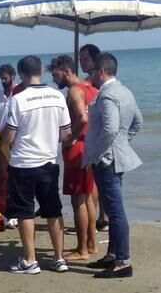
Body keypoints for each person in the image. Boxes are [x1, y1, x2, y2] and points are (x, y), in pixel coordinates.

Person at [1, 56, 72, 274]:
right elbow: (66, 133)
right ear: (41, 71)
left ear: (21, 75)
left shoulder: (18, 99)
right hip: (49, 162)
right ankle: (59, 258)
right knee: (53, 210)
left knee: (25, 212)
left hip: (23, 163)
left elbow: (8, 137)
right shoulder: (58, 95)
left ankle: (31, 260)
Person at [84, 53, 143, 278]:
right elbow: (137, 122)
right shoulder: (125, 91)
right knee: (110, 207)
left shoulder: (108, 95)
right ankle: (112, 255)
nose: (90, 76)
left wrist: (96, 155)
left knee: (115, 211)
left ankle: (123, 261)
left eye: (92, 72)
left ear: (101, 71)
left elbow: (110, 129)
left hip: (107, 160)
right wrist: (123, 144)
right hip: (115, 156)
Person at [48, 55, 98, 260]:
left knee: (78, 200)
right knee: (86, 198)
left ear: (67, 71)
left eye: (55, 75)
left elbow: (83, 117)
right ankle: (92, 244)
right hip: (90, 147)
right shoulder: (91, 88)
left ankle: (82, 249)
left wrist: (70, 137)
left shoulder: (75, 91)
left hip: (77, 149)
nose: (54, 79)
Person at [79, 44, 109, 232]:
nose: (82, 62)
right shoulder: (95, 80)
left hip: (96, 133)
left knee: (97, 178)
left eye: (85, 59)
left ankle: (99, 217)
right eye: (80, 59)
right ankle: (102, 216)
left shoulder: (93, 81)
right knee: (101, 178)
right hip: (99, 132)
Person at [0, 64, 17, 158]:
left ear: (13, 76)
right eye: (1, 78)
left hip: (13, 137)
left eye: (5, 78)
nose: (3, 81)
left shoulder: (19, 94)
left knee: (12, 165)